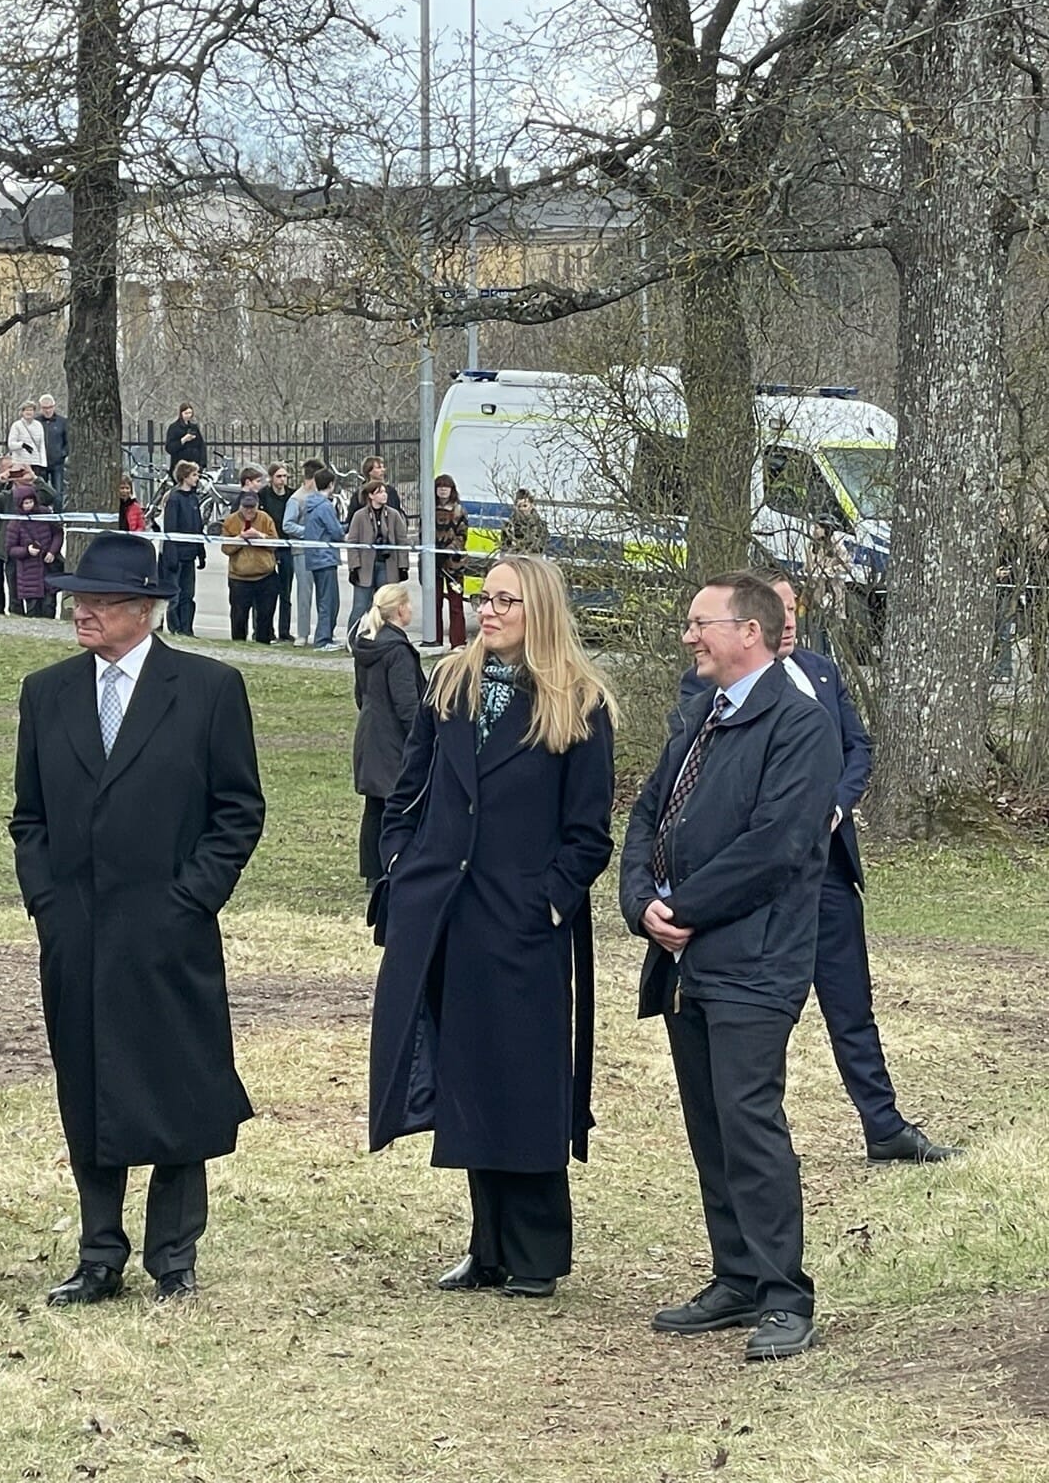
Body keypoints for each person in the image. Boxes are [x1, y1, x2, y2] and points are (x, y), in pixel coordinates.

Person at [12, 532, 266, 1305]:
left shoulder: (208, 688)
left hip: (169, 933)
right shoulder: (46, 692)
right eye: (76, 599)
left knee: (178, 1087)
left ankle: (172, 1255)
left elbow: (237, 810)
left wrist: (190, 899)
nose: (80, 612)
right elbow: (29, 817)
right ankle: (98, 1255)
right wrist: (49, 904)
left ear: (145, 610)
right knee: (88, 1088)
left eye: (98, 601)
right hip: (78, 935)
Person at [368, 557, 617, 1299]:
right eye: (485, 597)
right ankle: (488, 1246)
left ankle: (535, 1253)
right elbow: (408, 791)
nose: (490, 610)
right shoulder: (451, 684)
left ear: (539, 609)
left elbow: (588, 833)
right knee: (468, 1075)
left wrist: (549, 901)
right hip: (445, 915)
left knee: (526, 1079)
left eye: (506, 600)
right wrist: (400, 862)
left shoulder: (578, 702)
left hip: (521, 921)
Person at [619, 571, 841, 1361]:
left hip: (754, 959)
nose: (688, 636)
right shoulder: (700, 714)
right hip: (686, 961)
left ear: (749, 631)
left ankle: (784, 1296)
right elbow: (647, 813)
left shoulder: (799, 725)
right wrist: (639, 902)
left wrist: (681, 908)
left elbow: (776, 846)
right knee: (708, 1121)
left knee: (748, 1121)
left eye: (699, 623)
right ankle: (737, 1277)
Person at [672, 573, 961, 1166]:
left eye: (794, 606)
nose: (789, 618)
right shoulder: (707, 690)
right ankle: (751, 1138)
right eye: (777, 607)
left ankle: (883, 1125)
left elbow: (858, 748)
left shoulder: (822, 672)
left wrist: (834, 805)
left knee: (851, 1003)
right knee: (751, 1026)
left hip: (826, 873)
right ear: (751, 624)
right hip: (757, 891)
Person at [348, 582, 424, 888]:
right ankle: (391, 864)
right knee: (397, 803)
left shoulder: (367, 644)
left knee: (375, 805)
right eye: (409, 603)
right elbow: (407, 704)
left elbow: (360, 693)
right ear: (400, 609)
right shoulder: (398, 651)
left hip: (370, 732)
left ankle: (372, 870)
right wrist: (420, 737)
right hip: (392, 738)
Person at [345, 482, 410, 626]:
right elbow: (352, 543)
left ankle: (385, 636)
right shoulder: (359, 516)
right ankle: (352, 636)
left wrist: (403, 566)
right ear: (371, 495)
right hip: (365, 568)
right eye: (379, 492)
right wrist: (354, 567)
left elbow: (402, 541)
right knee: (360, 606)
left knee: (386, 606)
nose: (384, 495)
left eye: (384, 492)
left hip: (387, 566)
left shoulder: (393, 515)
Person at [220, 491, 279, 643]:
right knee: (238, 617)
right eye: (245, 507)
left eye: (252, 507)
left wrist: (259, 536)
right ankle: (239, 644)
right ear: (240, 506)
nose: (249, 511)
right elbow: (226, 548)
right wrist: (240, 539)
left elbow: (275, 544)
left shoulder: (265, 519)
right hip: (239, 578)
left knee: (265, 616)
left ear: (257, 506)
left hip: (265, 576)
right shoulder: (230, 521)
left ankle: (263, 643)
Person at [159, 460, 206, 636]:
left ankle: (187, 628)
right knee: (175, 595)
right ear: (184, 477)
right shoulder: (174, 498)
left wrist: (201, 552)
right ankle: (175, 627)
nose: (197, 478)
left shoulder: (194, 499)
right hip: (176, 555)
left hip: (189, 555)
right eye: (194, 474)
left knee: (188, 594)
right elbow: (170, 529)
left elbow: (198, 527)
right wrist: (171, 555)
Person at [304, 469, 346, 650]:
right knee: (329, 601)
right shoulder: (325, 506)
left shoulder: (311, 504)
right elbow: (336, 532)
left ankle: (326, 635)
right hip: (325, 557)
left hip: (314, 556)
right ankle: (323, 639)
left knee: (324, 599)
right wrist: (348, 528)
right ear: (331, 484)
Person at [282, 460, 322, 644]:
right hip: (302, 551)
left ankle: (323, 633)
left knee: (323, 594)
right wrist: (308, 532)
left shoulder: (321, 497)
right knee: (304, 594)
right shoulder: (296, 499)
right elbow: (287, 524)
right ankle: (302, 633)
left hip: (320, 550)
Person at [6, 487, 63, 617]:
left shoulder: (45, 514)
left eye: (30, 502)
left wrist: (52, 551)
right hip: (28, 574)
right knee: (33, 610)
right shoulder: (15, 522)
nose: (28, 505)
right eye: (25, 503)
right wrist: (27, 551)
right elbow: (10, 549)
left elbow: (58, 533)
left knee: (49, 606)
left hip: (48, 568)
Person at [260, 465, 295, 641]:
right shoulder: (263, 495)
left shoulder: (291, 495)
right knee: (266, 591)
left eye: (285, 476)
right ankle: (265, 630)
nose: (282, 480)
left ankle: (284, 630)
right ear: (271, 477)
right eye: (279, 476)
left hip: (287, 548)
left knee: (285, 592)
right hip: (269, 547)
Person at [435, 475, 470, 647]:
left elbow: (462, 535)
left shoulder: (459, 511)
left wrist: (448, 551)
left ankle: (458, 643)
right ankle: (435, 640)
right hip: (433, 563)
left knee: (456, 605)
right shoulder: (429, 509)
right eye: (440, 486)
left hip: (454, 564)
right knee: (434, 604)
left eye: (446, 487)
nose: (443, 490)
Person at [500, 489, 549, 556]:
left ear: (532, 506)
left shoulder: (541, 526)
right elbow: (504, 550)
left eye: (525, 506)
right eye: (519, 506)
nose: (522, 509)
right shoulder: (509, 527)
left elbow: (541, 549)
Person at [164, 403, 206, 479]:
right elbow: (169, 448)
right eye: (186, 413)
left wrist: (202, 464)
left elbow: (201, 446)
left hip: (194, 465)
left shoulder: (194, 427)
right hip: (180, 466)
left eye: (190, 413)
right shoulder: (174, 428)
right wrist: (183, 440)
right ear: (181, 413)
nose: (188, 415)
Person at [38, 394, 69, 491]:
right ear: (41, 408)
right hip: (40, 463)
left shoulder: (62, 422)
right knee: (41, 491)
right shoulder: (36, 423)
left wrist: (62, 454)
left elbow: (68, 441)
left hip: (57, 463)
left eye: (50, 407)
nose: (48, 410)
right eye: (45, 408)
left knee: (58, 491)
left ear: (54, 407)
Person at [8, 400, 46, 470]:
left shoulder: (38, 425)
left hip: (35, 462)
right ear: (22, 412)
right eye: (26, 410)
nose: (28, 412)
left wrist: (43, 463)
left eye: (31, 410)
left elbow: (41, 445)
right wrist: (22, 445)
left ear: (34, 412)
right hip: (20, 462)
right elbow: (11, 444)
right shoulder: (16, 425)